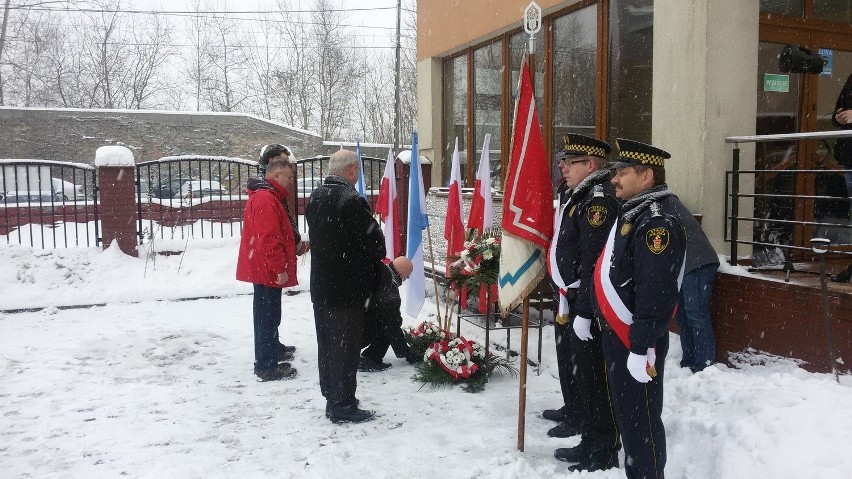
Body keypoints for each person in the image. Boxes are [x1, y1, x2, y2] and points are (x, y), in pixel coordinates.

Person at [594, 138, 687, 479]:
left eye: (622, 172)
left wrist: (640, 345)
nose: (614, 179)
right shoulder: (635, 214)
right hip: (625, 337)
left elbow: (656, 293)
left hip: (637, 342)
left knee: (642, 425)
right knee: (631, 423)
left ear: (646, 176)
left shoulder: (656, 223)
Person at [549, 134, 621, 472]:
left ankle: (602, 448)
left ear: (590, 165)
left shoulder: (597, 201)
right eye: (563, 160)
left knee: (595, 379)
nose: (562, 166)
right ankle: (591, 440)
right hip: (577, 300)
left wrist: (582, 309)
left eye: (570, 161)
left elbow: (593, 262)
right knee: (587, 378)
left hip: (590, 306)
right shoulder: (579, 196)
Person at [306, 149, 386, 424]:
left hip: (323, 285)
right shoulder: (349, 199)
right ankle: (342, 404)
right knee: (345, 348)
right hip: (347, 288)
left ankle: (332, 395)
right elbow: (374, 243)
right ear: (352, 170)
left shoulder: (316, 196)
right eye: (358, 170)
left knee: (328, 345)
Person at [235, 157, 299, 381]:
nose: (291, 182)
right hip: (266, 270)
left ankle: (270, 354)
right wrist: (279, 268)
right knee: (266, 317)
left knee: (269, 315)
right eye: (289, 177)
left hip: (264, 268)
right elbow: (268, 239)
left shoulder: (268, 196)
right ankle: (266, 366)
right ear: (277, 175)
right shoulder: (265, 198)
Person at [670, 200, 720, 373]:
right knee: (683, 316)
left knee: (695, 314)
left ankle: (704, 363)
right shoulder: (661, 204)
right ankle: (689, 360)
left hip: (697, 263)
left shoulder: (662, 205)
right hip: (684, 266)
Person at [359, 256, 418, 372]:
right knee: (388, 326)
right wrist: (407, 353)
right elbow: (392, 325)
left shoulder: (379, 273)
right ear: (400, 273)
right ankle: (371, 358)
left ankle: (368, 355)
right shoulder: (389, 287)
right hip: (356, 333)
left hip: (344, 325)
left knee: (387, 321)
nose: (408, 277)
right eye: (408, 274)